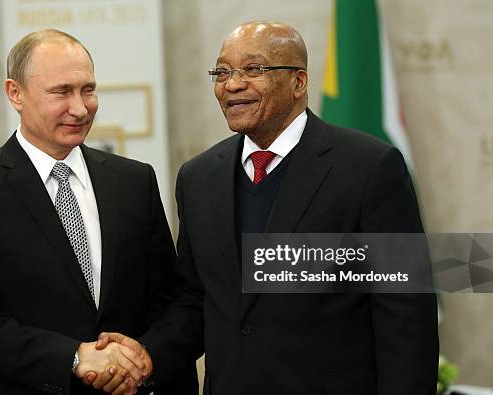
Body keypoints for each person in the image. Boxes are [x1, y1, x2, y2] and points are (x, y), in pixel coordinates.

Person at [97, 21, 439, 394]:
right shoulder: (197, 177)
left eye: (253, 70)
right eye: (222, 72)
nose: (232, 84)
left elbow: (407, 318)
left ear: (299, 82)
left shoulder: (370, 168)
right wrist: (148, 355)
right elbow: (198, 300)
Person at [0, 29, 197, 395]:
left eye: (88, 90)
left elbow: (169, 298)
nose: (80, 108)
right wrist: (72, 356)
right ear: (14, 93)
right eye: (61, 92)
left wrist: (144, 357)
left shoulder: (135, 180)